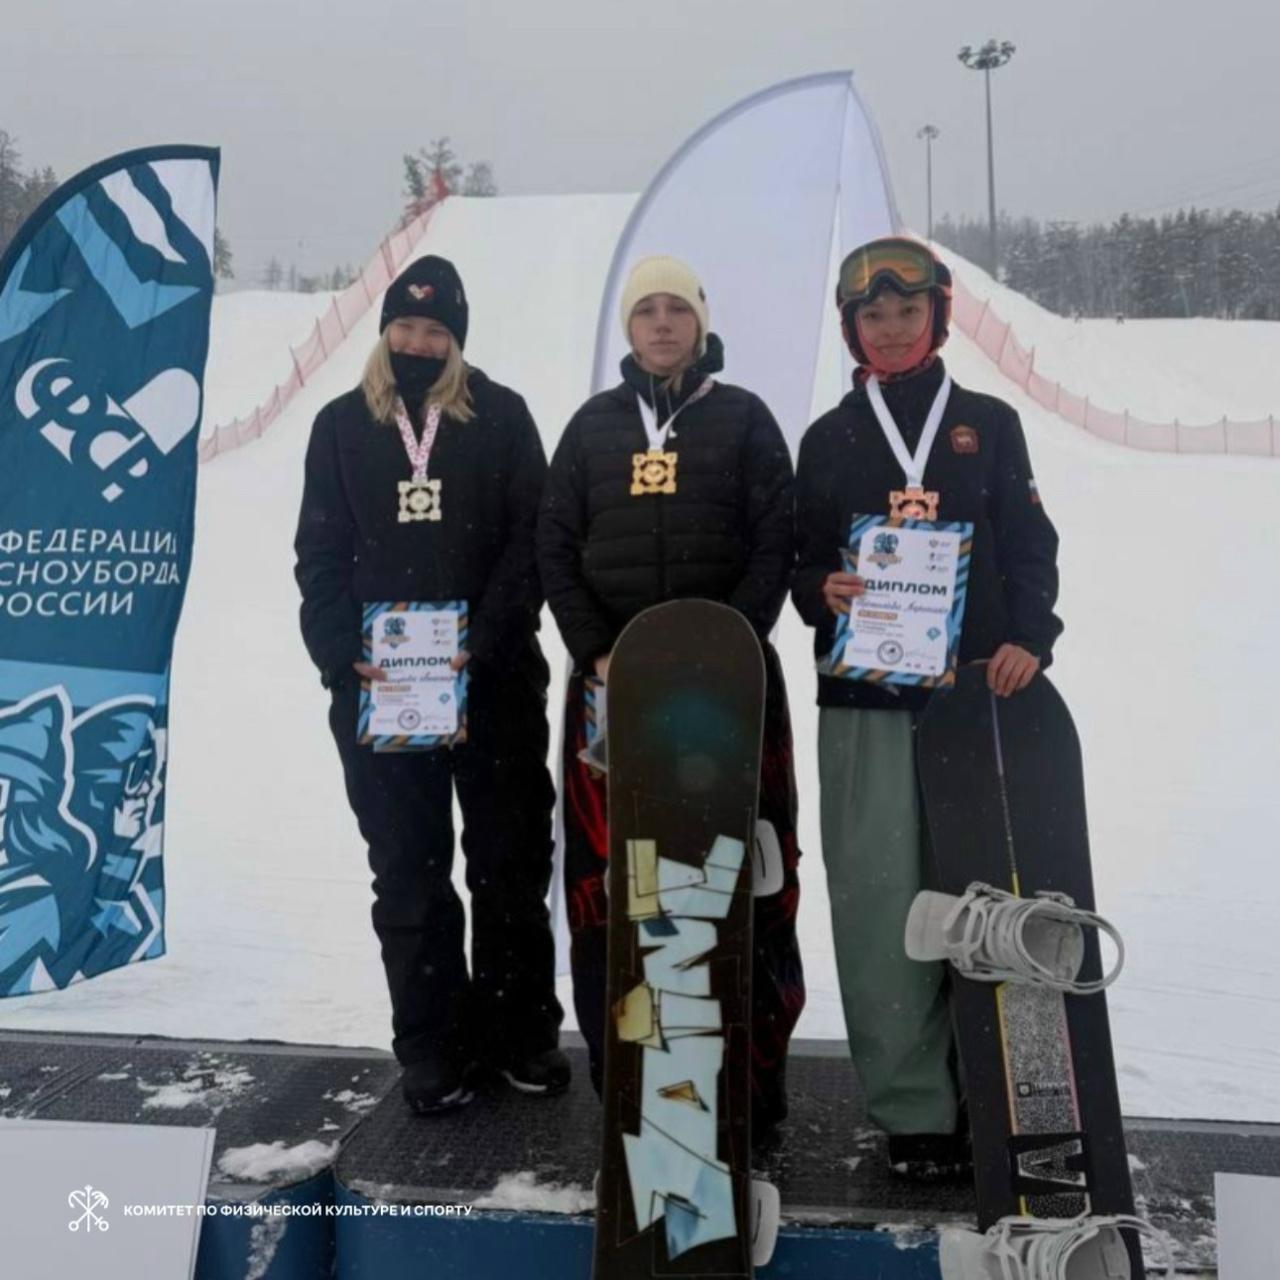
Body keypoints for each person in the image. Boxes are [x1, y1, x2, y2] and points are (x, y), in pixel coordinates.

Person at [791, 236, 1063, 1179]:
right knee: (879, 905)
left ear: (937, 318)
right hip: (864, 700)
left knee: (988, 892)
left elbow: (1028, 541)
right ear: (853, 328)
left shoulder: (986, 424)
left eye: (909, 312)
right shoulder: (829, 437)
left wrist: (1034, 634)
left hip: (977, 693)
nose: (893, 328)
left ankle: (1002, 1086)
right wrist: (816, 586)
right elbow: (799, 556)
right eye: (875, 315)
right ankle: (915, 1111)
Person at [537, 255, 805, 1136]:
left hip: (728, 690)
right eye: (646, 311)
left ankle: (746, 1081)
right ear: (628, 327)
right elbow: (554, 544)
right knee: (612, 883)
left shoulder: (744, 419)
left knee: (743, 879)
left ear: (700, 321)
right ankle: (630, 1076)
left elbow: (776, 539)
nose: (661, 324)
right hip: (611, 694)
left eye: (676, 310)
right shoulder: (591, 428)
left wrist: (726, 643)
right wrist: (596, 651)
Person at [294, 255, 567, 1115]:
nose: (419, 343)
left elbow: (535, 543)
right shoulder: (342, 426)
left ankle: (520, 1036)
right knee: (408, 877)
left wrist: (480, 644)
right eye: (406, 329)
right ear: (386, 332)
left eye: (436, 332)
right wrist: (344, 655)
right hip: (382, 694)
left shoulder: (502, 417)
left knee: (509, 868)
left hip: (491, 688)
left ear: (458, 338)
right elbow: (320, 556)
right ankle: (433, 1048)